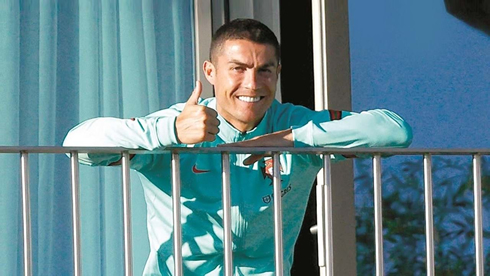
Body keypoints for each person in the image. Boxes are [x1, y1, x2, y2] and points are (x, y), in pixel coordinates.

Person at [63, 18, 412, 276]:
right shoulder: (180, 125)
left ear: (277, 72)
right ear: (210, 72)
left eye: (264, 71)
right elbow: (76, 144)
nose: (252, 83)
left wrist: (291, 139)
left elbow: (394, 130)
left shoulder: (296, 122)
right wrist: (168, 131)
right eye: (238, 69)